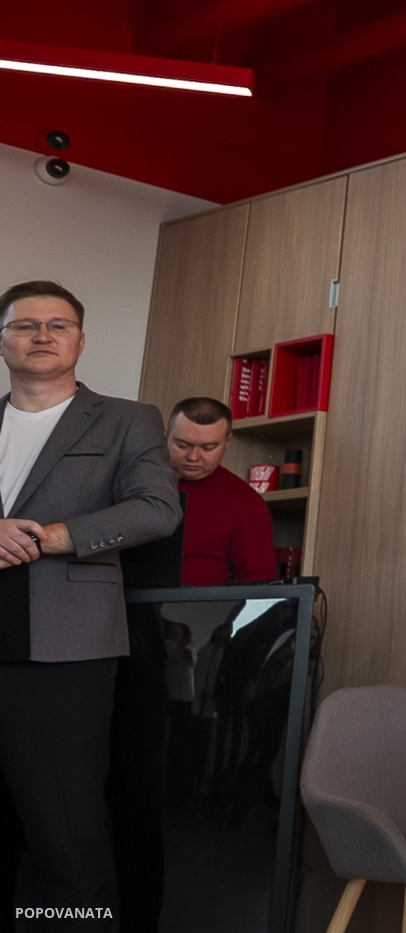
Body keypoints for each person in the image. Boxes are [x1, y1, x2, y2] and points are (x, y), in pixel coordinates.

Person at [0, 280, 179, 930]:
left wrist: (45, 537)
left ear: (80, 340)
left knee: (66, 831)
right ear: (3, 341)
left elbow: (156, 509)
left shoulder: (127, 419)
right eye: (25, 325)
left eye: (58, 324)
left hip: (62, 648)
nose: (41, 335)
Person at [164, 397, 277, 586]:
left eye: (208, 448)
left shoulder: (246, 502)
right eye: (182, 445)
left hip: (203, 603)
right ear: (166, 435)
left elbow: (259, 581)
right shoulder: (134, 482)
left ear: (227, 441)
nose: (193, 457)